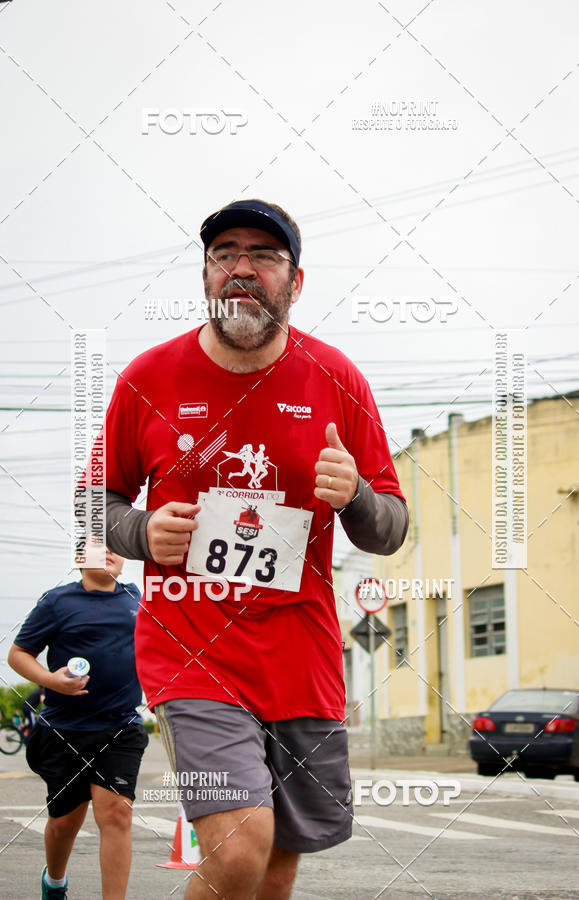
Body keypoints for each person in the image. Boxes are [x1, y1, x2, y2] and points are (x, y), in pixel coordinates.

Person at [103, 198, 409, 899]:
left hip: (302, 658)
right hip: (192, 651)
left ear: (295, 282)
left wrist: (356, 493)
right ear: (206, 274)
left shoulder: (337, 379)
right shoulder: (147, 379)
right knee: (241, 851)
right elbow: (99, 502)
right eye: (224, 254)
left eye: (264, 256)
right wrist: (142, 532)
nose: (241, 269)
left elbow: (388, 529)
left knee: (278, 861)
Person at [7, 548, 147, 900]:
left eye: (120, 546)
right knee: (65, 821)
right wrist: (51, 681)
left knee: (116, 814)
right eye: (104, 545)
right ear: (80, 556)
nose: (113, 552)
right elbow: (18, 654)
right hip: (64, 729)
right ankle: (54, 881)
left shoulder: (139, 599)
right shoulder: (58, 601)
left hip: (121, 726)